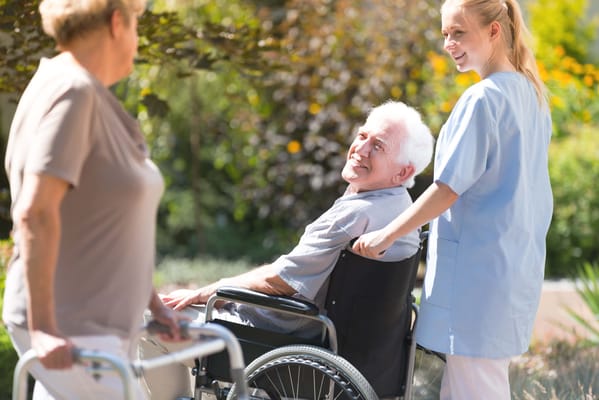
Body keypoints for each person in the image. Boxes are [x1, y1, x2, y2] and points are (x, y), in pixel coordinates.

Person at [139, 100, 435, 399]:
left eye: (378, 146)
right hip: (365, 357)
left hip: (286, 339)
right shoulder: (402, 210)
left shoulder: (355, 215)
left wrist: (210, 292)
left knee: (150, 324)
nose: (361, 148)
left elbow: (279, 282)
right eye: (362, 136)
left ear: (403, 172)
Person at [352, 1, 552, 399]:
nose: (448, 43)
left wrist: (385, 235)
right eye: (445, 33)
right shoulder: (532, 96)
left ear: (494, 31)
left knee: (472, 388)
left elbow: (447, 188)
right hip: (511, 270)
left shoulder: (483, 100)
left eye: (458, 32)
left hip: (478, 280)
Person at [2, 1, 187, 399]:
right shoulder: (74, 91)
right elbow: (36, 211)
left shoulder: (69, 86)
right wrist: (44, 329)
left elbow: (103, 220)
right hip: (74, 329)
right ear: (117, 22)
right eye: (137, 23)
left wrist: (153, 305)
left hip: (90, 327)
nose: (137, 41)